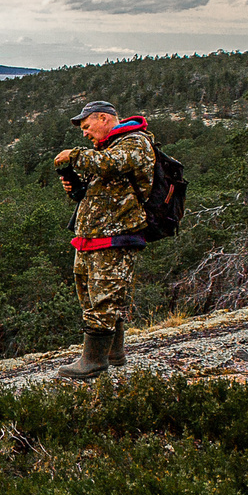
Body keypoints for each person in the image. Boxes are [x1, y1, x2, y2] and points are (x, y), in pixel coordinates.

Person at [52, 100, 156, 380]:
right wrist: (74, 187)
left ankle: (94, 361)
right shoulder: (104, 150)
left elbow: (112, 164)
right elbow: (94, 189)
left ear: (103, 118)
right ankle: (113, 353)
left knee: (104, 298)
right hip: (91, 238)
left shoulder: (135, 143)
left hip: (117, 237)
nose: (85, 134)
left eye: (87, 127)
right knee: (93, 297)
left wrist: (73, 156)